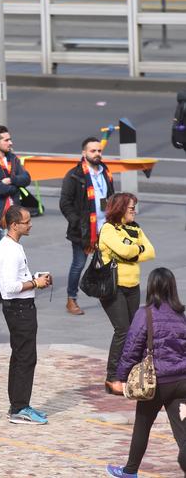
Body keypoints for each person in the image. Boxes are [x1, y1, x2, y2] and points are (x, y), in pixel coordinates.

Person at [106, 268, 186, 478]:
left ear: (151, 287)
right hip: (181, 382)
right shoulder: (181, 315)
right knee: (182, 431)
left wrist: (120, 378)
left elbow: (131, 348)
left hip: (156, 382)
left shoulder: (145, 313)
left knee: (142, 425)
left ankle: (130, 471)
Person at [0, 205, 51, 425]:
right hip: (19, 309)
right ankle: (20, 407)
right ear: (14, 225)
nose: (30, 224)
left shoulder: (13, 246)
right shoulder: (9, 249)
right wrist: (35, 283)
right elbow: (9, 286)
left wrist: (37, 278)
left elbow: (18, 277)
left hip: (21, 307)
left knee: (21, 356)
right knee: (25, 358)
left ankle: (18, 404)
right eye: (26, 221)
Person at [98, 192, 155, 396]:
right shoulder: (108, 229)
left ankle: (130, 373)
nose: (134, 211)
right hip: (113, 287)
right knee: (122, 330)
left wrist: (132, 249)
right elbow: (124, 251)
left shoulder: (135, 228)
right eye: (131, 208)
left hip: (133, 286)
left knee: (134, 331)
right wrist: (134, 249)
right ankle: (112, 377)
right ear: (120, 209)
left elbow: (150, 251)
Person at [60, 137, 115, 316]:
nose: (97, 154)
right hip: (83, 230)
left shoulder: (105, 172)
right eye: (93, 151)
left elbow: (110, 197)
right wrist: (76, 221)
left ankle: (106, 293)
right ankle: (71, 299)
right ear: (84, 153)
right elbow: (65, 202)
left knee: (106, 262)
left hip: (105, 227)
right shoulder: (75, 175)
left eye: (99, 151)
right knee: (79, 264)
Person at [0, 125, 31, 303]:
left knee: (4, 248)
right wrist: (15, 186)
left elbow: (27, 178)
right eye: (6, 140)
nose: (11, 143)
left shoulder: (13, 159)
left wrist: (12, 180)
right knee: (4, 247)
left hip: (13, 212)